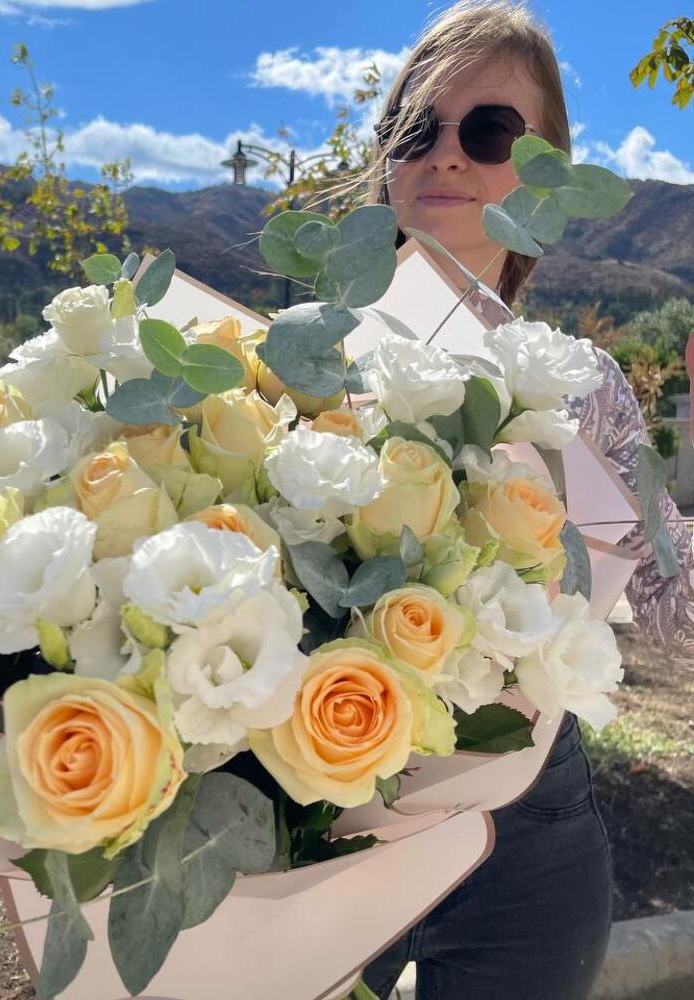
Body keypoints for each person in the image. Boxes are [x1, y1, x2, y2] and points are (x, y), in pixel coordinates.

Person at [350, 3, 694, 998]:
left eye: (490, 130)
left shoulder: (587, 386)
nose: (446, 154)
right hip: (324, 820)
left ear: (546, 176)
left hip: (529, 845)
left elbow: (670, 604)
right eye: (416, 127)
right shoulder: (301, 364)